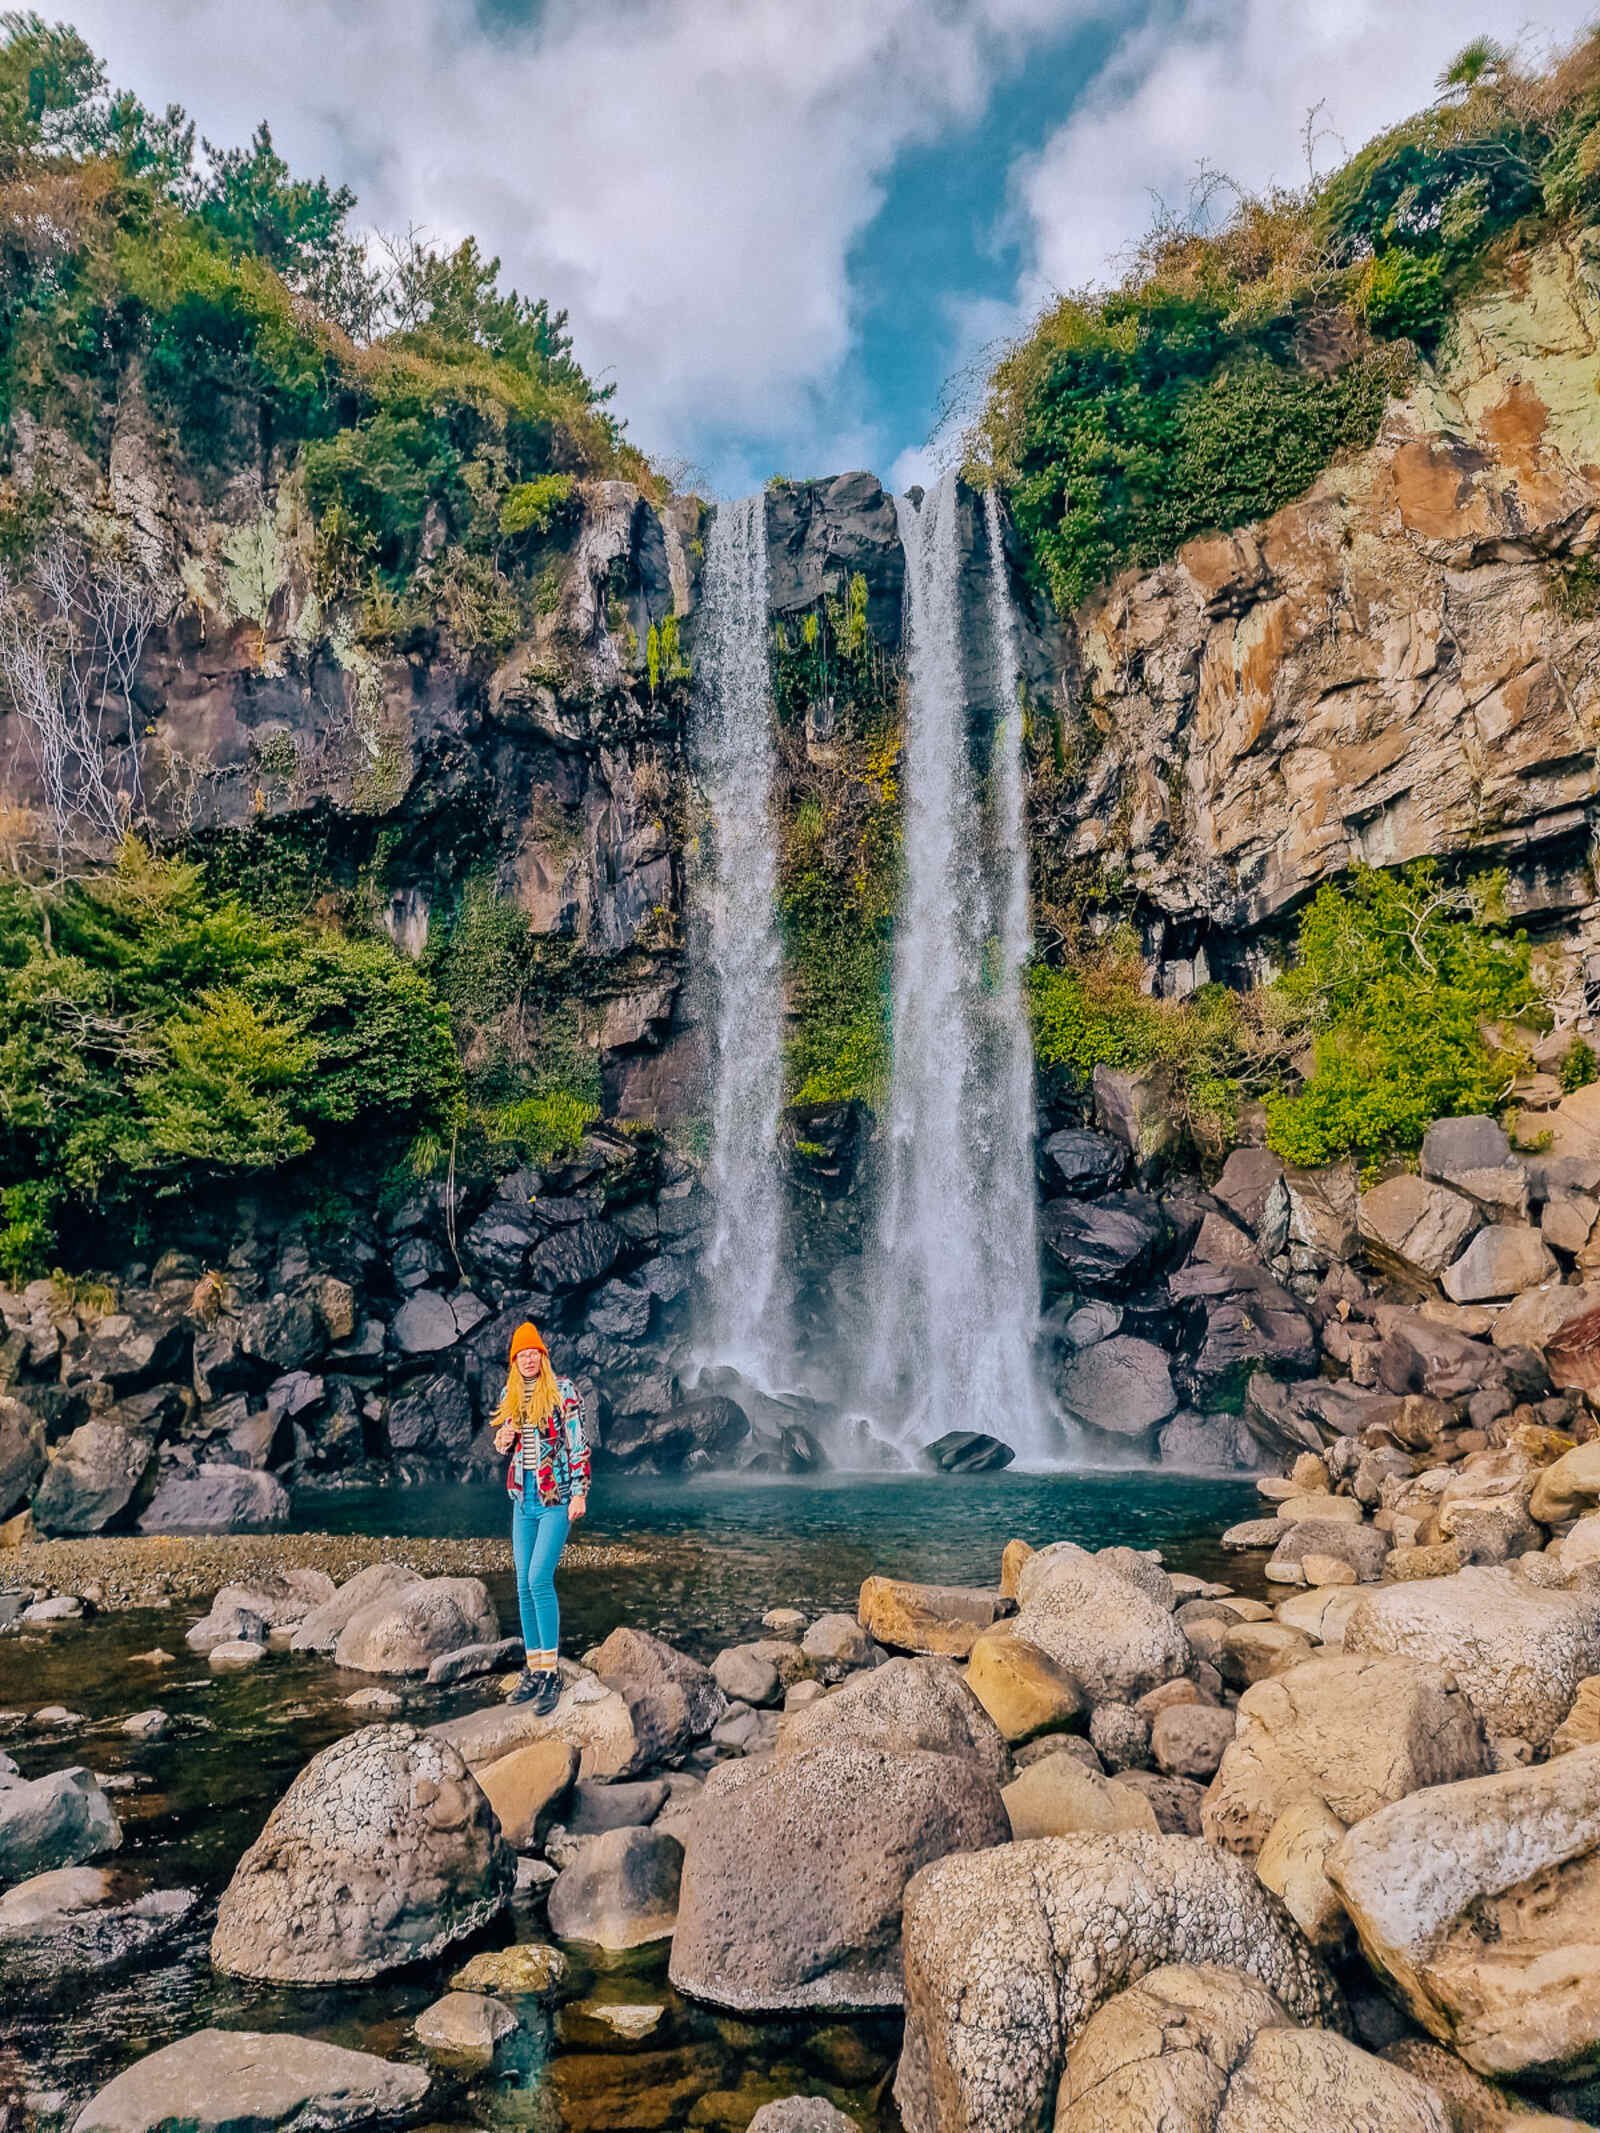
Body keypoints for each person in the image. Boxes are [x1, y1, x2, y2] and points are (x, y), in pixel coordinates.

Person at [492, 1320, 590, 1713]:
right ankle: (534, 1669)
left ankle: (551, 1674)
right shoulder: (510, 1395)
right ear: (514, 1362)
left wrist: (579, 1493)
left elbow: (578, 1444)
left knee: (538, 1578)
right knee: (521, 1583)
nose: (528, 1359)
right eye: (521, 1355)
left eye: (534, 1353)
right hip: (523, 1498)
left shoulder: (563, 1392)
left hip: (556, 1497)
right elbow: (503, 1445)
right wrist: (503, 1437)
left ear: (543, 1357)